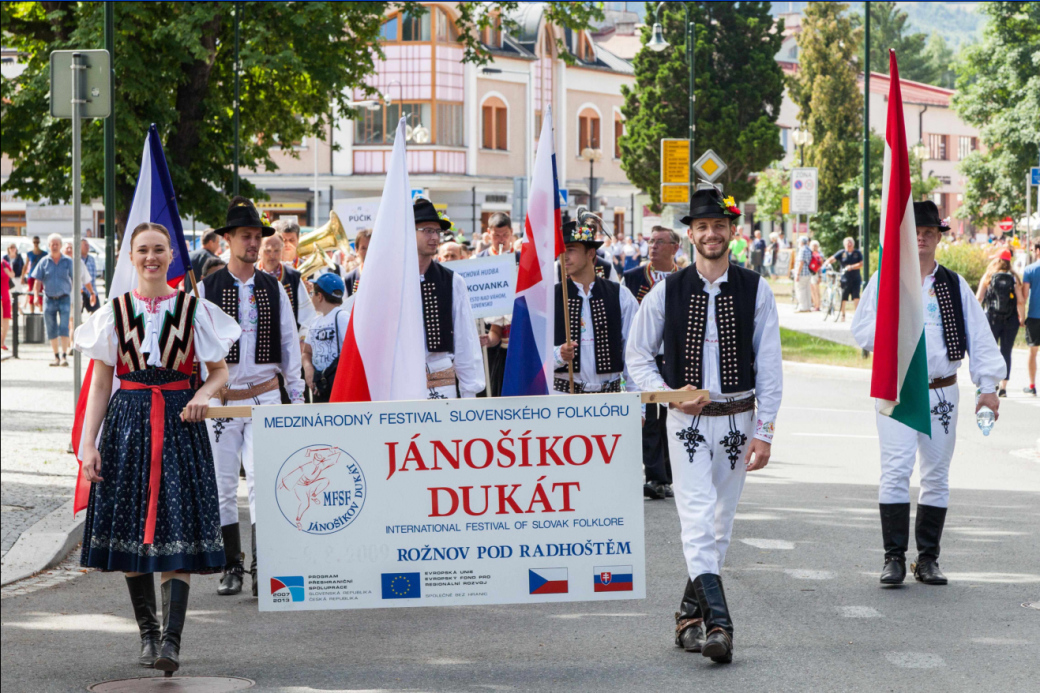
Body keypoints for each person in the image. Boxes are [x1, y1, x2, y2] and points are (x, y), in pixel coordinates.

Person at [73, 221, 241, 674]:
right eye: (143, 250)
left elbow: (219, 372)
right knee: (131, 528)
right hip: (127, 425)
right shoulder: (114, 311)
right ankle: (148, 635)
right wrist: (88, 443)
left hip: (178, 424)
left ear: (173, 256)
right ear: (131, 257)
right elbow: (101, 383)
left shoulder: (193, 309)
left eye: (159, 250)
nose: (151, 257)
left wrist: (202, 396)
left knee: (176, 529)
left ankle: (171, 641)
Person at [627, 187, 781, 664]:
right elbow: (638, 355)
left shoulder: (756, 288)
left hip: (738, 419)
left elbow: (771, 365)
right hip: (687, 423)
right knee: (696, 519)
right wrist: (671, 394)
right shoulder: (667, 290)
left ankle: (688, 617)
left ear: (731, 232)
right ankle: (721, 626)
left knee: (719, 527)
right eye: (702, 227)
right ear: (689, 234)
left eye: (719, 226)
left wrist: (766, 431)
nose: (711, 234)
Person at [851, 200, 1005, 587]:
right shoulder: (886, 280)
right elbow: (861, 331)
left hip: (941, 390)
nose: (921, 238)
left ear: (938, 238)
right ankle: (893, 558)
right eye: (915, 232)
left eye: (929, 233)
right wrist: (895, 329)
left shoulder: (953, 284)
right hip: (899, 389)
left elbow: (980, 338)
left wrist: (988, 387)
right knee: (896, 470)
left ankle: (929, 558)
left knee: (936, 473)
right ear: (904, 237)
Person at [200, 197, 305, 598]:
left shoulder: (273, 287)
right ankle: (231, 566)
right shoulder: (205, 288)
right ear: (228, 239)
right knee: (224, 485)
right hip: (223, 399)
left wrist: (295, 398)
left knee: (266, 482)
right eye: (245, 236)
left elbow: (290, 343)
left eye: (257, 236)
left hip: (264, 397)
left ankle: (266, 565)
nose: (252, 242)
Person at [623, 225, 680, 500]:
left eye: (660, 242)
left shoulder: (687, 278)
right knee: (650, 417)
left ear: (675, 248)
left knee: (675, 413)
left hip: (677, 356)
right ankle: (655, 476)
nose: (653, 246)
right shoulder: (633, 278)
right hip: (646, 357)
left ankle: (671, 474)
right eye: (651, 241)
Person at [554, 220, 638, 395]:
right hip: (564, 396)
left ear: (590, 253)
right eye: (562, 251)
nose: (564, 256)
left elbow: (634, 352)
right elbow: (532, 352)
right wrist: (558, 355)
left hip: (609, 398)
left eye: (570, 250)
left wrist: (637, 405)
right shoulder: (551, 297)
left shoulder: (620, 295)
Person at [413, 198, 485, 399]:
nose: (435, 237)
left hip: (442, 383)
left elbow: (465, 340)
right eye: (427, 230)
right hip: (403, 383)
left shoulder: (453, 282)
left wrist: (469, 392)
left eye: (437, 231)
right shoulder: (392, 282)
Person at [31, 233, 96, 366]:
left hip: (64, 298)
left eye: (57, 244)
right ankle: (56, 356)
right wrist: (36, 296)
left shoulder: (68, 262)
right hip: (49, 299)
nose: (54, 246)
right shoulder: (44, 261)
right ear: (49, 246)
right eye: (52, 244)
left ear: (60, 246)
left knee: (64, 327)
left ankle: (64, 356)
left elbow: (78, 278)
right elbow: (37, 280)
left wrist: (90, 292)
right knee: (51, 328)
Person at [976, 250, 1024, 398]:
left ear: (996, 260)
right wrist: (1022, 318)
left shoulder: (989, 276)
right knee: (1006, 351)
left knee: (991, 351)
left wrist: (977, 319)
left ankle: (992, 383)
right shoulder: (1014, 278)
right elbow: (1021, 300)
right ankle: (1003, 386)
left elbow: (979, 297)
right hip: (1010, 320)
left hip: (992, 318)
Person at [303, 273, 352, 403]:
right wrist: (309, 369)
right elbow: (306, 352)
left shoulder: (342, 317)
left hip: (338, 388)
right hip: (320, 387)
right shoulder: (314, 322)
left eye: (312, 293)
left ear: (319, 296)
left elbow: (352, 352)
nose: (311, 297)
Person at [259, 232, 316, 336]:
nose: (272, 255)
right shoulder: (250, 274)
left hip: (288, 340)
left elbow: (307, 316)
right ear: (260, 251)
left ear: (282, 251)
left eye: (276, 251)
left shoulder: (293, 277)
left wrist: (302, 339)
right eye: (268, 250)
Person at [825, 237, 864, 321]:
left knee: (856, 296)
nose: (849, 245)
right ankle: (843, 315)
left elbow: (861, 263)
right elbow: (832, 259)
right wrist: (827, 264)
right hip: (845, 278)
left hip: (855, 278)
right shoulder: (842, 253)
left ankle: (857, 316)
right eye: (847, 243)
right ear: (844, 244)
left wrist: (852, 267)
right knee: (844, 297)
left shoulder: (857, 253)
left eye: (850, 243)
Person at [1022, 241, 1040, 395]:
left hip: (1035, 315)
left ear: (1038, 251)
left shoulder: (1030, 269)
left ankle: (1032, 386)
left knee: (1033, 352)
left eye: (1034, 249)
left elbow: (1025, 295)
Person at [343, 228, 371, 297]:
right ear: (356, 250)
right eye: (363, 248)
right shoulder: (348, 279)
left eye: (370, 247)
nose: (367, 252)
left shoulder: (384, 276)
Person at [23, 236, 47, 314]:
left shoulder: (44, 253)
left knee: (40, 293)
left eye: (37, 242)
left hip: (41, 276)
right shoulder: (29, 253)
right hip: (31, 275)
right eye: (34, 242)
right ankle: (32, 311)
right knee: (31, 293)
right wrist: (22, 276)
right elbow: (26, 265)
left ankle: (41, 310)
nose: (36, 244)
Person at [80, 239, 99, 315]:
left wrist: (93, 291)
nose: (87, 247)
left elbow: (93, 276)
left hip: (91, 290)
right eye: (85, 245)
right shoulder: (77, 259)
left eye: (88, 245)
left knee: (96, 312)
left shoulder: (91, 258)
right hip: (81, 291)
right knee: (77, 314)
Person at [793, 236, 812, 312]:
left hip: (802, 273)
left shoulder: (802, 250)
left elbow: (801, 262)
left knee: (800, 290)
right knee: (807, 290)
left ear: (801, 242)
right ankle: (808, 306)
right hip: (808, 273)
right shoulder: (809, 249)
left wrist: (797, 274)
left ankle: (802, 307)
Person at [1, 254, 14, 349]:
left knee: (6, 319)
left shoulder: (4, 263)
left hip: (6, 294)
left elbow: (13, 274)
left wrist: (7, 272)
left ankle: (2, 342)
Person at [808, 239, 824, 311]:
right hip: (811, 273)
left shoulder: (819, 254)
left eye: (815, 246)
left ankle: (818, 305)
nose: (814, 247)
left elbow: (821, 266)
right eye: (813, 246)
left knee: (816, 290)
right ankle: (815, 304)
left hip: (816, 273)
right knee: (812, 290)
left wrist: (820, 276)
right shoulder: (810, 253)